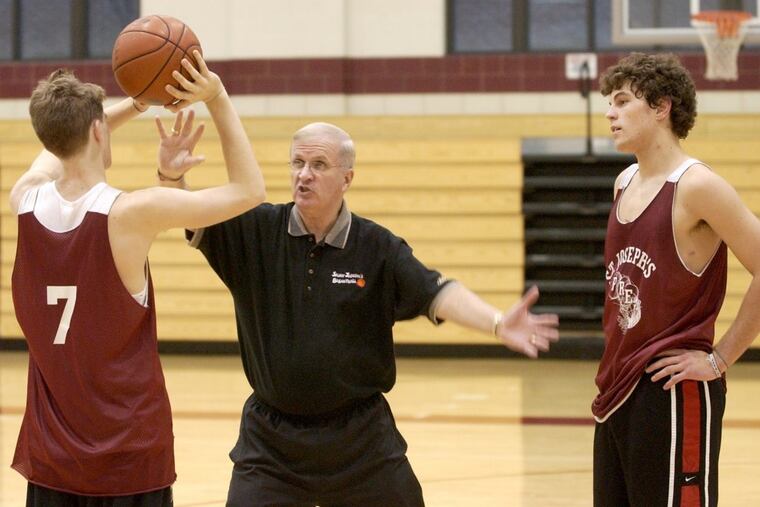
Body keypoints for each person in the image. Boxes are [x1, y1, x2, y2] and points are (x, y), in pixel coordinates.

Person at [158, 107, 560, 502]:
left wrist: (495, 323)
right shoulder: (256, 229)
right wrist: (172, 176)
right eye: (297, 162)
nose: (304, 174)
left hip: (360, 440)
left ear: (346, 178)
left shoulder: (377, 247)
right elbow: (188, 215)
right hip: (271, 444)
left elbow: (436, 292)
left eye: (319, 164)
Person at [9, 52, 265, 506]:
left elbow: (54, 146)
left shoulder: (24, 200)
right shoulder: (129, 213)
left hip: (52, 460)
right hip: (128, 457)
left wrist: (135, 105)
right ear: (97, 131)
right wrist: (217, 96)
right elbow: (249, 191)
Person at [593, 52, 760, 506]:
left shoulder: (697, 186)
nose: (610, 112)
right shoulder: (624, 182)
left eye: (623, 101)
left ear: (662, 107)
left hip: (671, 391)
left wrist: (720, 358)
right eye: (610, 102)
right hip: (616, 386)